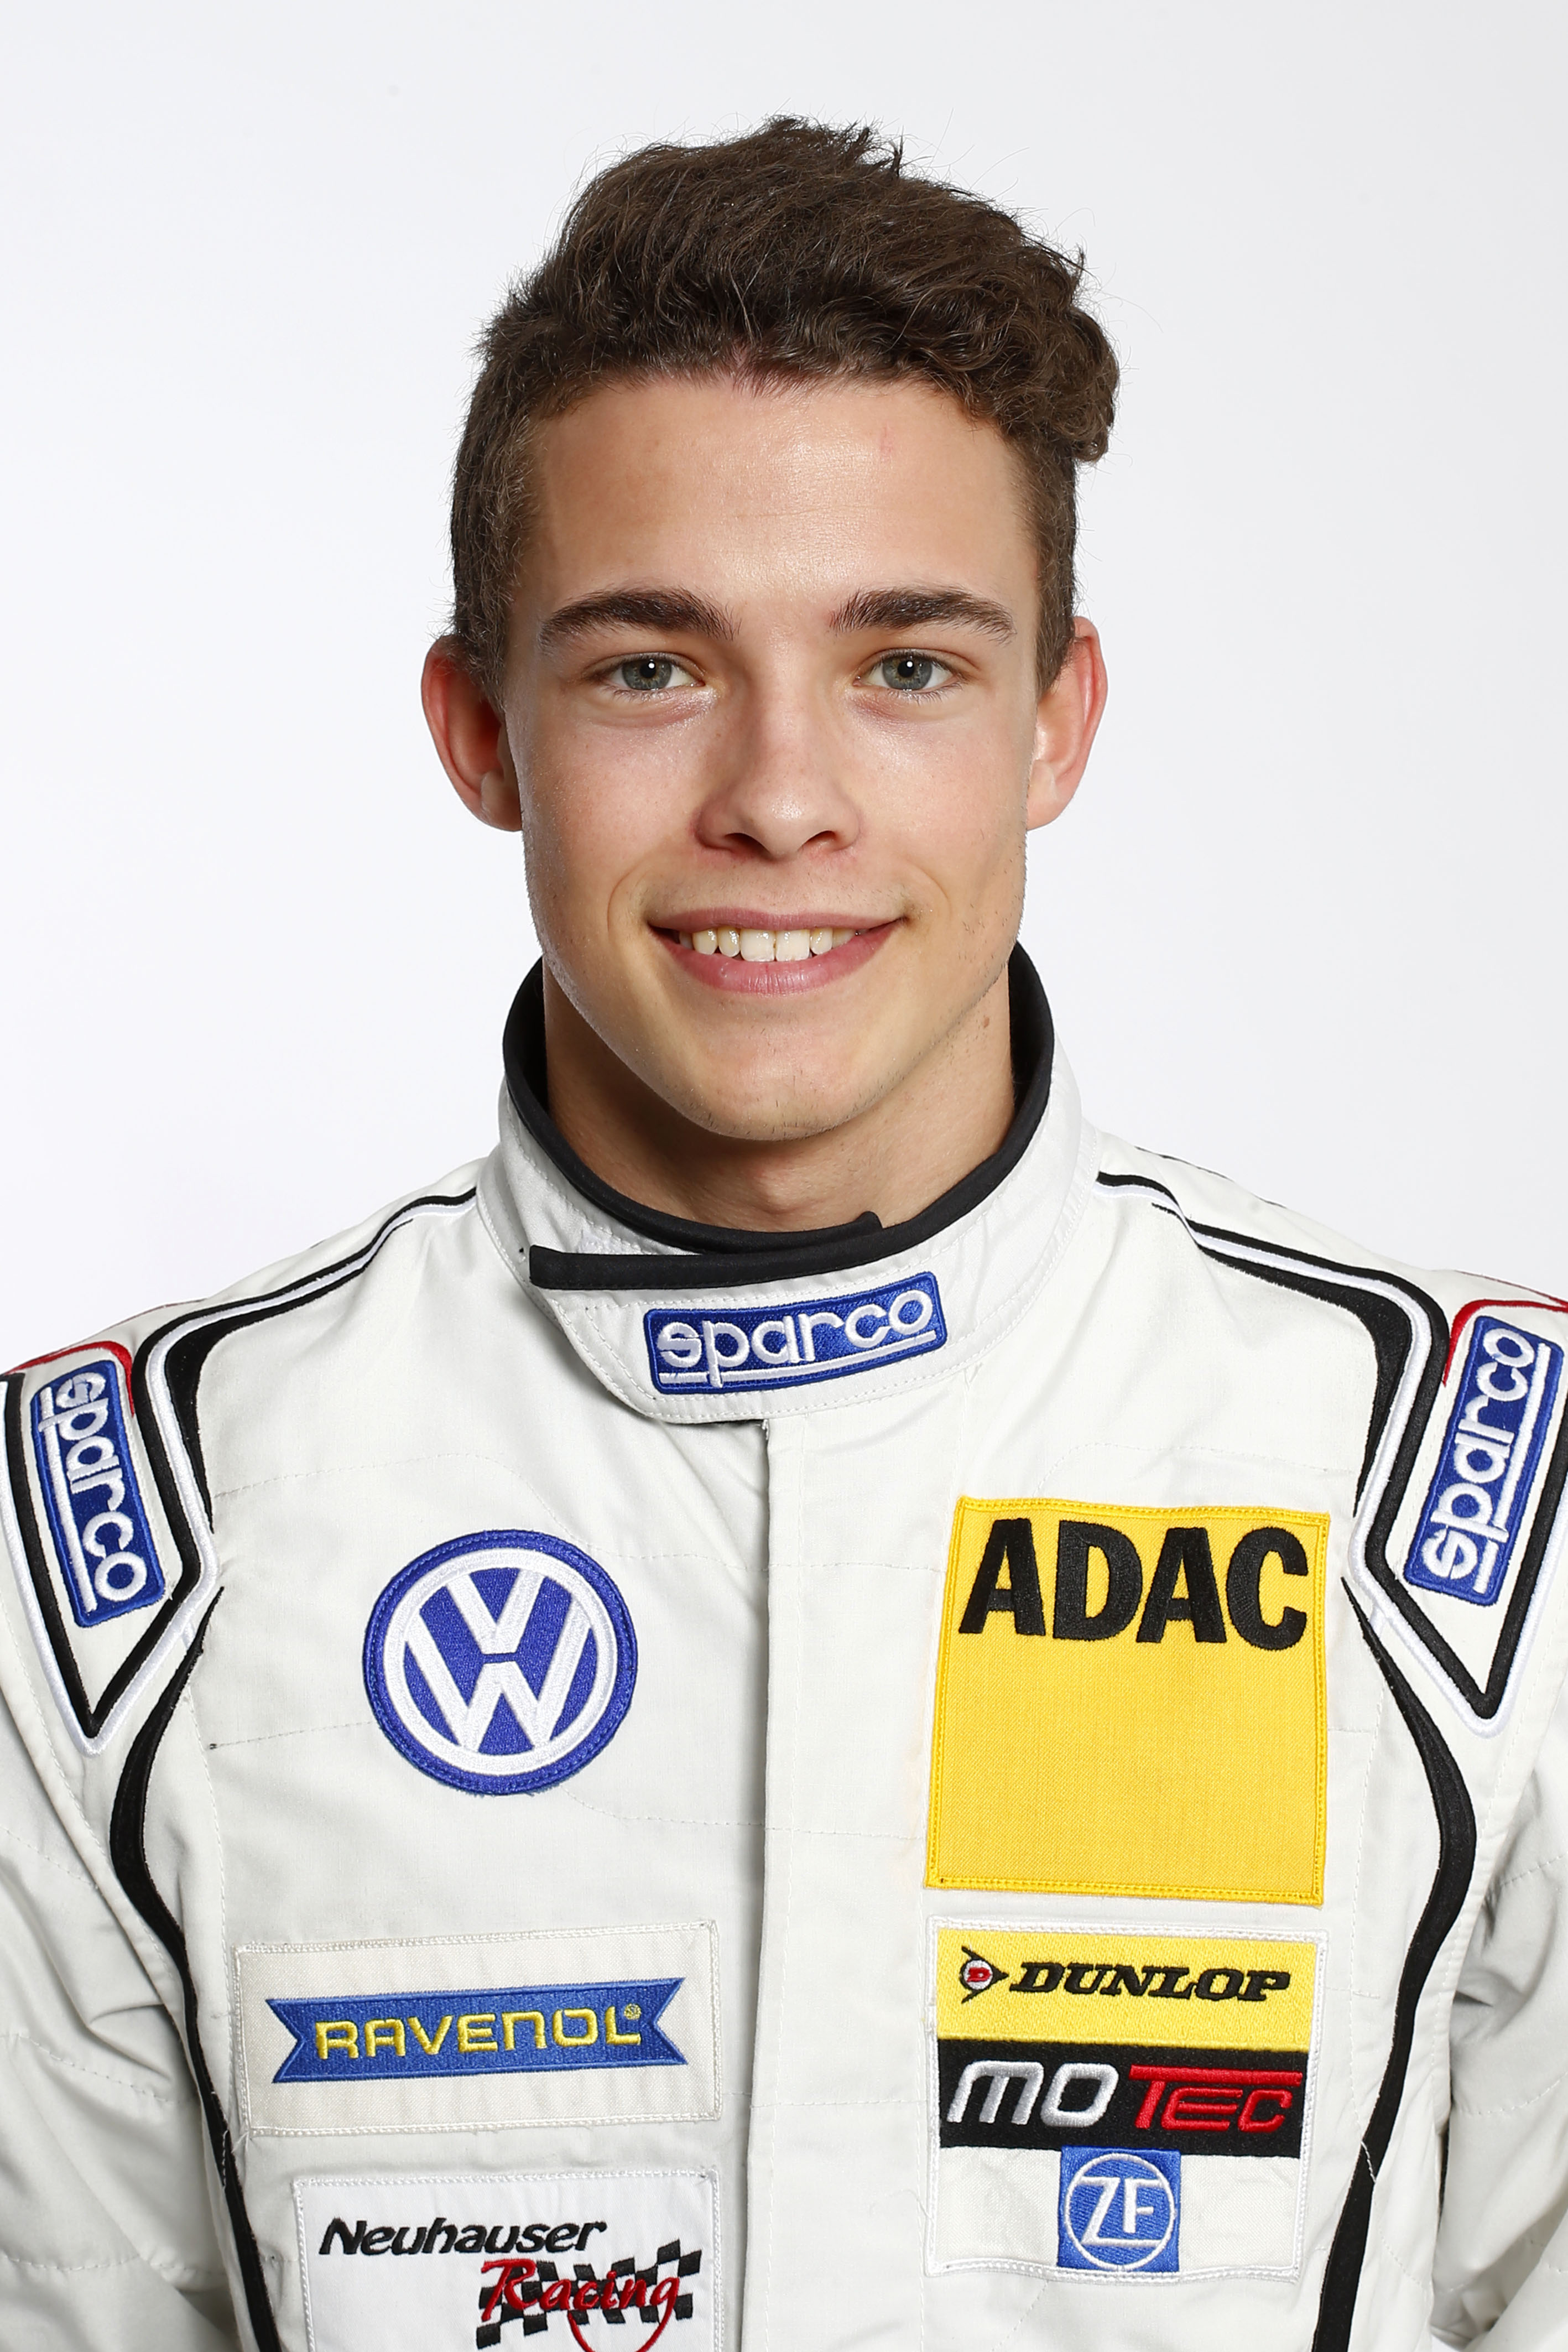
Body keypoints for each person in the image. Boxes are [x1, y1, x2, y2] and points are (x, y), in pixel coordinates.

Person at [1, 116, 1563, 2352]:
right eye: (650, 667)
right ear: (480, 731)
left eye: (904, 665)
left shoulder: (1470, 1499)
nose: (781, 798)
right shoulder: (110, 1551)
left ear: (1055, 723)